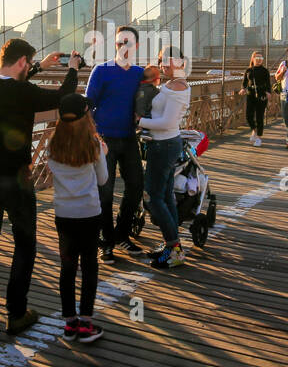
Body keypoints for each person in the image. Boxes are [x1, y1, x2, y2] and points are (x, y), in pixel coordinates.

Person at [0, 38, 80, 342]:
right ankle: (16, 314)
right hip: (13, 177)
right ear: (21, 63)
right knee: (24, 243)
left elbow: (10, 88)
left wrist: (41, 65)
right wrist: (72, 69)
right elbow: (62, 97)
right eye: (28, 64)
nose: (28, 68)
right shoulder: (24, 92)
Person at [44, 94, 108, 344]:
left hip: (64, 213)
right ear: (85, 115)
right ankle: (86, 324)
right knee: (90, 266)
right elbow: (102, 180)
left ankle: (69, 324)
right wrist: (103, 152)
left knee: (68, 267)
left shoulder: (53, 143)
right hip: (89, 212)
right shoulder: (92, 143)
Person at [84, 25, 145, 265]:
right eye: (119, 43)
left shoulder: (139, 73)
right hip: (104, 139)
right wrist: (94, 137)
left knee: (136, 185)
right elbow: (88, 105)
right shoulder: (101, 71)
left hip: (130, 137)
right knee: (105, 191)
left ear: (137, 46)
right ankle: (106, 242)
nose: (123, 47)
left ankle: (122, 234)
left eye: (128, 43)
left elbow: (152, 98)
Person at [139, 45, 191, 268]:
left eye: (168, 61)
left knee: (153, 196)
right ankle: (171, 245)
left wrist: (138, 122)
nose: (163, 64)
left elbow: (167, 122)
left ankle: (175, 248)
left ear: (180, 63)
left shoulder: (178, 86)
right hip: (165, 144)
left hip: (165, 144)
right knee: (166, 194)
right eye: (161, 60)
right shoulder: (170, 84)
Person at [239, 51, 271, 147]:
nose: (259, 60)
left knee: (259, 117)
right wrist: (243, 89)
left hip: (261, 95)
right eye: (257, 58)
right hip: (250, 94)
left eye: (261, 58)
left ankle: (259, 138)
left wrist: (268, 92)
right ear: (253, 59)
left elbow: (268, 83)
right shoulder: (249, 70)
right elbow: (244, 82)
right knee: (249, 115)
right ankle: (254, 130)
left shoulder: (265, 71)